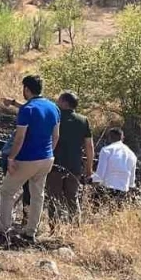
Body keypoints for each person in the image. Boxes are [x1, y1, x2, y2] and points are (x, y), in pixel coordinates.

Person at [0, 75, 59, 242]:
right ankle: (31, 232)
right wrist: (48, 153)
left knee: (7, 191)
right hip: (47, 158)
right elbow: (56, 136)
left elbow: (19, 138)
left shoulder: (27, 110)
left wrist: (11, 158)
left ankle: (3, 231)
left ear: (26, 89)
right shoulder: (53, 107)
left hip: (27, 159)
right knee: (37, 195)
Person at [45, 91, 93, 229]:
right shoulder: (83, 120)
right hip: (74, 166)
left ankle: (54, 229)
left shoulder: (55, 117)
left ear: (65, 103)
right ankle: (75, 228)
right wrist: (89, 170)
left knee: (54, 197)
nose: (57, 102)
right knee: (72, 197)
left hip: (55, 164)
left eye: (59, 100)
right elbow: (89, 146)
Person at [92, 128, 137, 200]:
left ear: (109, 137)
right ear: (122, 138)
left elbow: (100, 175)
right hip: (123, 192)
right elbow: (131, 181)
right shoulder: (132, 154)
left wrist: (91, 180)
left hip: (106, 189)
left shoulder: (106, 150)